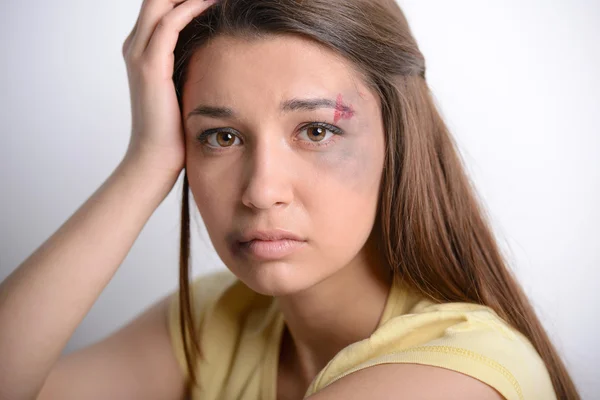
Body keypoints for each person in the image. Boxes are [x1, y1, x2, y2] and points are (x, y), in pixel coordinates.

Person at [0, 0, 580, 399]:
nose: (261, 191)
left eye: (317, 130)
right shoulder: (219, 320)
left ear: (398, 138)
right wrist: (146, 163)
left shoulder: (456, 373)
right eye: (220, 137)